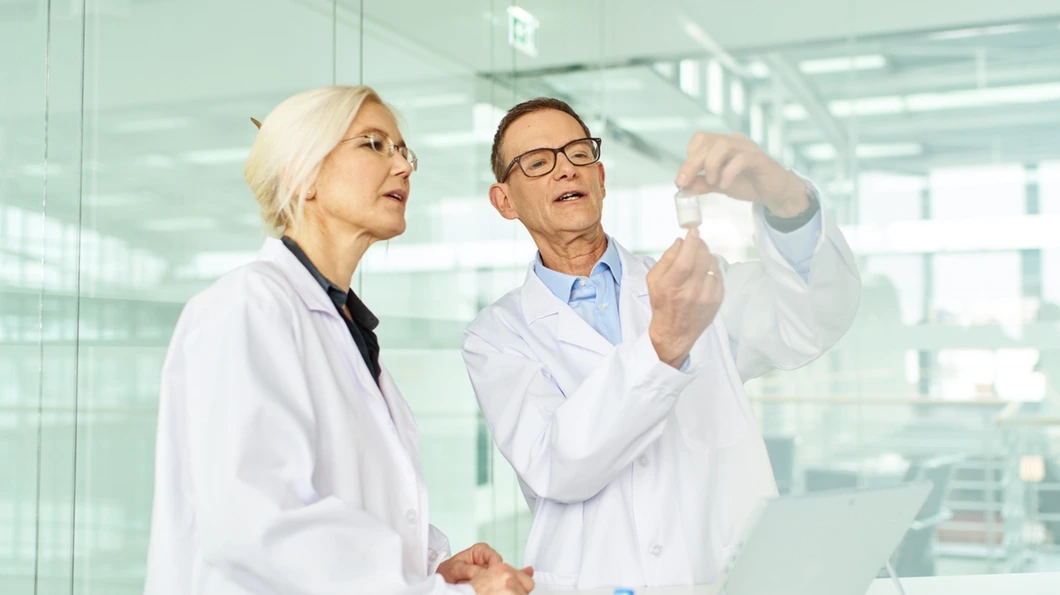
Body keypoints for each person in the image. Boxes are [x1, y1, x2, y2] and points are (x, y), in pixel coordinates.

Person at [144, 85, 534, 595]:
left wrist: (431, 563)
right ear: (301, 175)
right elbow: (256, 523)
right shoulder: (248, 307)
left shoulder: (345, 325)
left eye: (402, 150)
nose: (403, 167)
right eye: (373, 145)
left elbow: (353, 501)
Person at [461, 97, 861, 589]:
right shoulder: (497, 335)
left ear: (601, 179)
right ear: (505, 201)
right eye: (539, 162)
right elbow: (557, 465)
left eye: (579, 153)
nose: (566, 170)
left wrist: (786, 199)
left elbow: (812, 318)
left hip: (715, 575)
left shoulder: (693, 282)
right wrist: (665, 342)